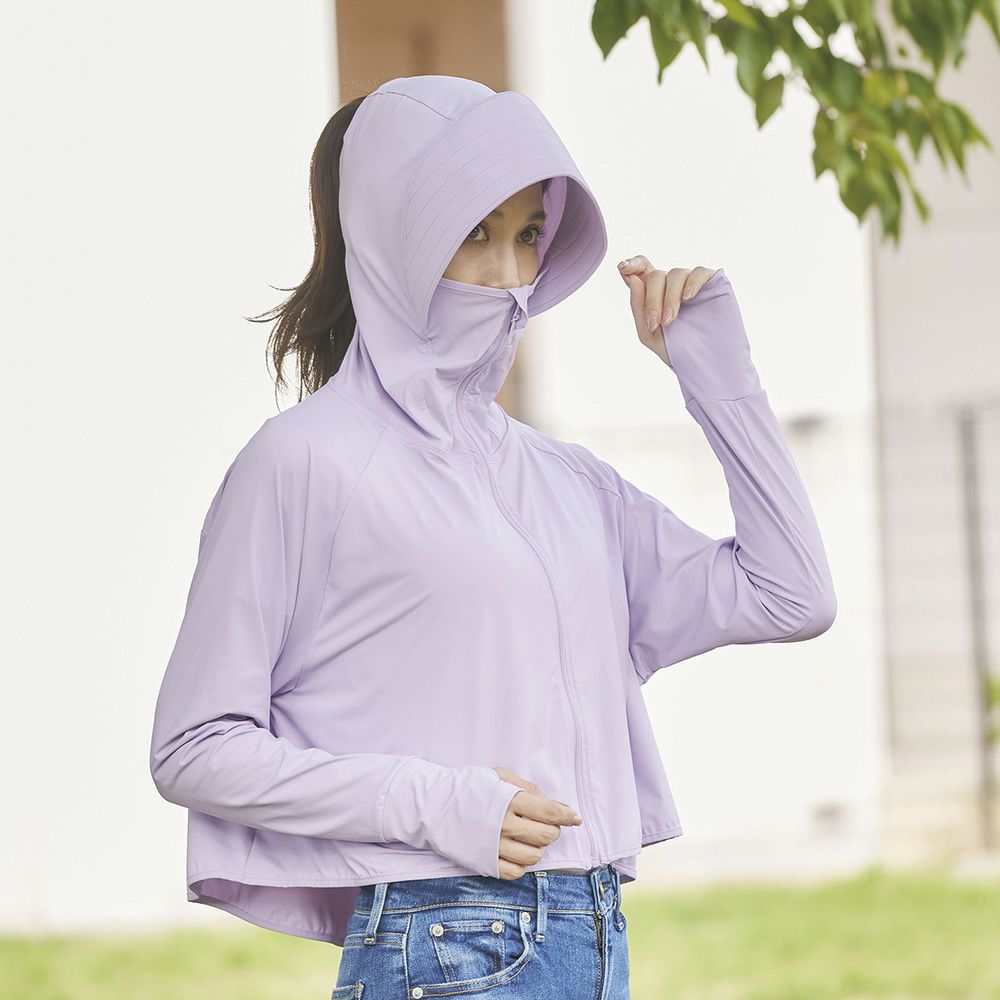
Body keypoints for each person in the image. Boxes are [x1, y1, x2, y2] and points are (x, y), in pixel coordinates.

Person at [149, 74, 837, 999]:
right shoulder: (303, 463)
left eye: (527, 235)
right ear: (394, 234)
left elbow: (792, 595)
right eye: (474, 233)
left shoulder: (567, 483)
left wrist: (717, 378)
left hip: (590, 935)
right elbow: (193, 744)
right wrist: (438, 803)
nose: (510, 275)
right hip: (445, 940)